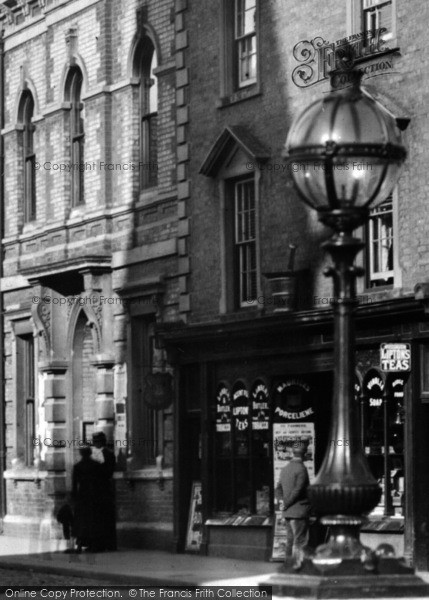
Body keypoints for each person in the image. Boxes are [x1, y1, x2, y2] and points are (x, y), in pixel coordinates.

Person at [276, 443, 311, 569]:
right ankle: (297, 567)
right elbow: (298, 490)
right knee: (300, 541)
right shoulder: (301, 469)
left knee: (290, 541)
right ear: (305, 454)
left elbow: (278, 488)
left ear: (292, 453)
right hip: (299, 511)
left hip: (288, 512)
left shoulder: (285, 469)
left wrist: (282, 502)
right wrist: (286, 503)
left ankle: (288, 566)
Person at [72, 445, 103, 552]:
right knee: (93, 520)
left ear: (81, 453)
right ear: (90, 453)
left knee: (81, 521)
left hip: (82, 495)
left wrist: (74, 497)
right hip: (94, 495)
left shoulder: (77, 466)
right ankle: (93, 544)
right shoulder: (96, 465)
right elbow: (100, 482)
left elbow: (74, 484)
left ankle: (80, 544)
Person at [91, 431, 117, 551]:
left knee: (103, 518)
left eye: (97, 441)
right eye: (94, 441)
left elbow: (108, 471)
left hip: (102, 489)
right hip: (99, 490)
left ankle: (105, 544)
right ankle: (103, 544)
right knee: (101, 519)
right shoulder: (93, 453)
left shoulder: (106, 454)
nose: (95, 443)